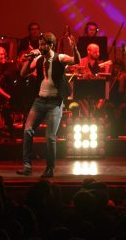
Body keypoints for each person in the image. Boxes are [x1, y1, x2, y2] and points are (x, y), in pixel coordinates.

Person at [16, 31, 80, 178]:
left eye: (43, 44)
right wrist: (29, 58)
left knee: (50, 137)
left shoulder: (60, 57)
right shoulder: (39, 59)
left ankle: (50, 168)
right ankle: (27, 167)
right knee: (27, 131)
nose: (40, 47)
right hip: (39, 101)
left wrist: (74, 48)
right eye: (39, 44)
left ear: (51, 45)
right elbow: (23, 73)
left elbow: (76, 61)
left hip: (54, 103)